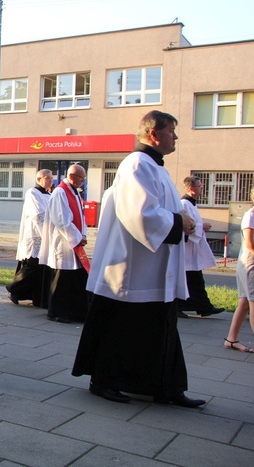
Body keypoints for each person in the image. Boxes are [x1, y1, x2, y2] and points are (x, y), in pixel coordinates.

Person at [72, 110, 205, 408]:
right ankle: (104, 381)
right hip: (132, 269)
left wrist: (182, 222)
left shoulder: (156, 168)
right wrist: (177, 222)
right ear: (153, 133)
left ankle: (164, 387)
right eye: (172, 130)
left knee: (159, 329)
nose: (176, 136)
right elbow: (140, 215)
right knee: (123, 328)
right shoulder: (136, 164)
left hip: (155, 268)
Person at [39, 164, 89, 323]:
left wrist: (83, 234)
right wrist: (77, 236)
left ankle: (74, 312)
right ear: (73, 176)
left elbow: (81, 217)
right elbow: (61, 220)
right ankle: (57, 312)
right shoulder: (61, 192)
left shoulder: (75, 193)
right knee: (62, 280)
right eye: (82, 178)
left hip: (74, 241)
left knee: (73, 279)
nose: (83, 181)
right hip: (63, 243)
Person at [176, 176, 225, 318]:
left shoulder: (192, 204)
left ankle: (204, 307)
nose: (202, 189)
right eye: (200, 186)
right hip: (187, 251)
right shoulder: (184, 204)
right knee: (191, 280)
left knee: (196, 280)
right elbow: (185, 226)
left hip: (193, 250)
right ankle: (183, 306)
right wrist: (200, 226)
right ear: (191, 188)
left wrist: (201, 227)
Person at [7, 169, 52, 308]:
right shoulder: (33, 193)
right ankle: (14, 289)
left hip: (47, 235)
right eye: (47, 178)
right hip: (36, 236)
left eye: (51, 178)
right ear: (39, 179)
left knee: (42, 270)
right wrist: (46, 234)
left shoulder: (50, 195)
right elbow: (37, 215)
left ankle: (36, 297)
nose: (51, 181)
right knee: (32, 266)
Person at [224, 186, 254, 353]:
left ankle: (231, 339)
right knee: (252, 302)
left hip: (247, 264)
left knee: (244, 303)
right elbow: (250, 244)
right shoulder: (250, 216)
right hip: (250, 264)